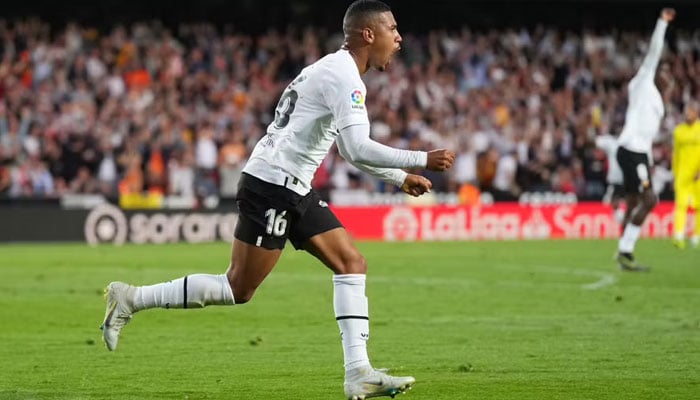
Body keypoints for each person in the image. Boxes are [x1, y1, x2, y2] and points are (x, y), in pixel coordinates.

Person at [100, 1, 456, 399]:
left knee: (351, 262)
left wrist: (398, 177)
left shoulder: (330, 69)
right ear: (368, 34)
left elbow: (344, 146)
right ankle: (131, 298)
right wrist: (421, 159)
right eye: (392, 28)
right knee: (238, 287)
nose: (399, 37)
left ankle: (359, 372)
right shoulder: (345, 78)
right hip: (273, 185)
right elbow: (356, 147)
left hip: (291, 184)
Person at [614, 7, 675, 271]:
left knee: (634, 201)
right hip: (631, 150)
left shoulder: (658, 103)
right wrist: (662, 23)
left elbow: (649, 131)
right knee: (650, 200)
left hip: (639, 152)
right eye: (665, 72)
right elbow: (653, 52)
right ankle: (625, 250)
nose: (668, 77)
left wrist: (663, 141)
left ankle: (622, 249)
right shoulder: (642, 82)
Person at [671, 102, 700, 249]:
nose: (688, 114)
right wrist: (674, 173)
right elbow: (675, 154)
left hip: (698, 175)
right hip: (682, 174)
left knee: (699, 206)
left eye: (691, 112)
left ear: (696, 113)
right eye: (686, 112)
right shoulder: (678, 131)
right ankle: (679, 236)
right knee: (681, 205)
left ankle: (697, 236)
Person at [594, 133, 625, 225]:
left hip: (626, 179)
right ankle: (615, 221)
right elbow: (596, 141)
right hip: (615, 180)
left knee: (623, 201)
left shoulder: (631, 143)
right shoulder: (611, 142)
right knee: (608, 201)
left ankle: (620, 221)